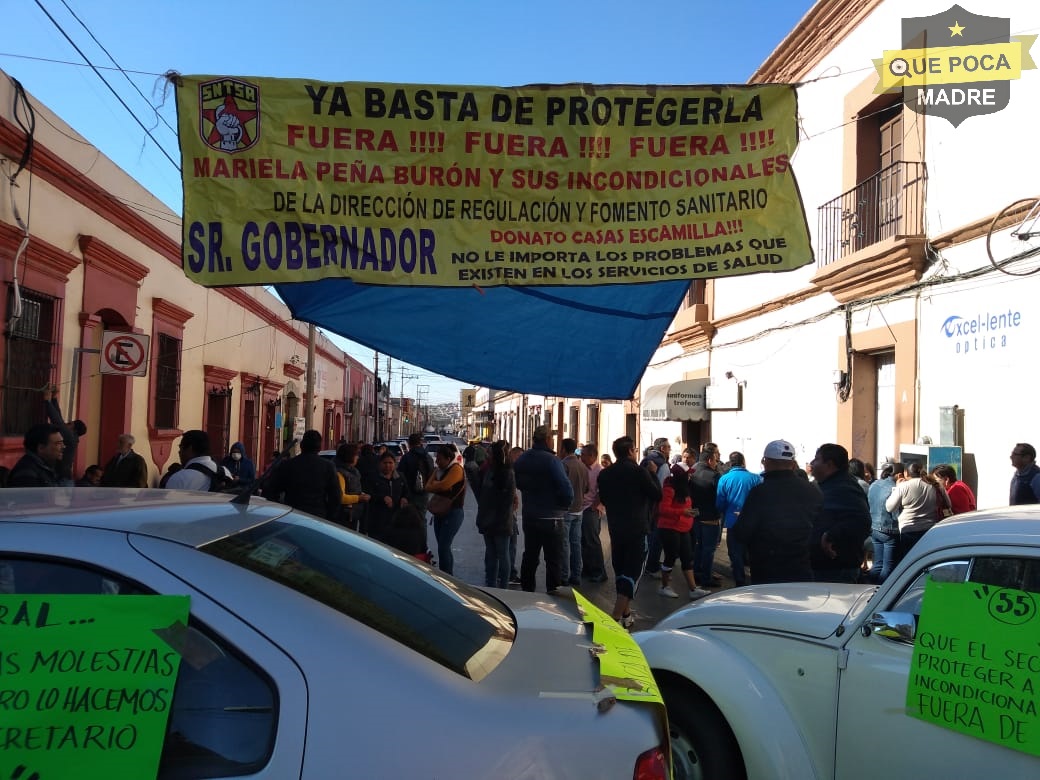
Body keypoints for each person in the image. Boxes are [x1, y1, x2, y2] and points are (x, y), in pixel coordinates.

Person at [731, 440, 822, 584]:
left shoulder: (760, 492)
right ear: (792, 463)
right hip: (803, 568)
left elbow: (742, 532)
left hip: (767, 570)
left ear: (766, 462)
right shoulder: (813, 490)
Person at [597, 436, 662, 629]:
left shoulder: (605, 474)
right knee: (632, 573)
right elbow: (657, 495)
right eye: (634, 450)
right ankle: (614, 620)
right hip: (637, 529)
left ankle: (625, 615)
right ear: (630, 451)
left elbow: (605, 499)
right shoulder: (639, 472)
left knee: (621, 570)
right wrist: (652, 474)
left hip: (616, 528)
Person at [514, 426, 573, 594]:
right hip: (551, 518)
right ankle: (553, 595)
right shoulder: (552, 460)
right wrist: (563, 506)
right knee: (553, 559)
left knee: (530, 556)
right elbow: (566, 489)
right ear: (547, 439)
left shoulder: (523, 458)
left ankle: (528, 591)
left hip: (530, 516)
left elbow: (516, 479)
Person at [808, 443, 872, 583]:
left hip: (836, 569)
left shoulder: (844, 488)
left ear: (829, 465)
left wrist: (830, 535)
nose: (812, 463)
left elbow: (862, 520)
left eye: (817, 459)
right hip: (823, 566)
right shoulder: (828, 485)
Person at [657, 464, 711, 599]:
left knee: (687, 558)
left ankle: (693, 589)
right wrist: (683, 511)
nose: (690, 476)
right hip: (669, 528)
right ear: (681, 476)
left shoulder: (685, 489)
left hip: (683, 528)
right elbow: (663, 510)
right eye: (688, 474)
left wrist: (690, 512)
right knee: (670, 557)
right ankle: (664, 586)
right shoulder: (669, 489)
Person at [264, 430, 342, 521]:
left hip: (292, 514)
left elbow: (270, 490)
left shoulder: (288, 465)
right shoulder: (328, 466)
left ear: (301, 446)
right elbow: (336, 496)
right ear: (319, 448)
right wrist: (330, 517)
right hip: (318, 516)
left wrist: (279, 511)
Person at [885, 461, 949, 562]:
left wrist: (896, 489)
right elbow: (949, 504)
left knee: (909, 561)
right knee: (926, 560)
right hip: (929, 530)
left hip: (908, 530)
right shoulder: (935, 485)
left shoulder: (903, 486)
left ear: (906, 473)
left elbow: (890, 507)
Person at [715, 451, 762, 588]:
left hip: (732, 521)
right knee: (754, 552)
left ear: (730, 463)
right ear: (743, 462)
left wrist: (728, 512)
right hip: (753, 522)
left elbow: (719, 503)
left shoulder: (724, 479)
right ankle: (756, 582)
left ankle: (739, 582)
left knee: (735, 553)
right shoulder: (756, 478)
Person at [476, 441, 516, 588]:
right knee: (492, 554)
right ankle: (491, 583)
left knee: (502, 553)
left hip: (500, 521)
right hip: (488, 519)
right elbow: (482, 494)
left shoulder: (507, 473)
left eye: (490, 453)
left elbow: (507, 500)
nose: (487, 455)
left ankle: (503, 585)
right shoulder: (488, 471)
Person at [425, 443, 467, 575]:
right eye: (436, 458)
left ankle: (447, 576)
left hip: (453, 512)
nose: (436, 461)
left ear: (448, 459)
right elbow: (427, 486)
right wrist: (437, 484)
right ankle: (446, 574)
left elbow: (443, 486)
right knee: (442, 547)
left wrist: (437, 484)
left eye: (439, 458)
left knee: (444, 546)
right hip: (440, 512)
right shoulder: (440, 470)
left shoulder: (456, 469)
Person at [690, 449, 723, 589]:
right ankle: (706, 577)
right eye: (715, 460)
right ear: (710, 460)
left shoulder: (693, 473)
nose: (716, 463)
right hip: (711, 517)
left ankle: (696, 573)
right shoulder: (715, 476)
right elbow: (720, 496)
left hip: (696, 516)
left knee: (699, 546)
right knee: (709, 549)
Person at [866, 462, 903, 584]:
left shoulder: (875, 484)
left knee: (877, 564)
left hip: (874, 528)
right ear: (899, 475)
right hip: (889, 530)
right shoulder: (894, 489)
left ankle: (868, 587)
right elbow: (895, 514)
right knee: (888, 566)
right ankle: (881, 592)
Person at [559, 438, 588, 587]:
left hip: (566, 510)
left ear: (564, 449)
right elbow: (587, 488)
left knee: (565, 544)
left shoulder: (564, 465)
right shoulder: (582, 466)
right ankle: (576, 574)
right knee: (576, 543)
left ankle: (564, 575)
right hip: (579, 509)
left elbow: (560, 486)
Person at [43, 386, 86, 487]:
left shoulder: (69, 436)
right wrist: (53, 398)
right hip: (63, 477)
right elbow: (60, 419)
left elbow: (58, 421)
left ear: (74, 428)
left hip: (62, 478)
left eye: (70, 423)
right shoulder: (71, 437)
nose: (67, 423)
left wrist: (47, 401)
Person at [639, 437, 671, 577]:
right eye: (669, 447)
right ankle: (652, 567)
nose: (670, 450)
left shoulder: (644, 460)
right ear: (662, 449)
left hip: (642, 503)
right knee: (656, 538)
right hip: (655, 505)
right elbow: (662, 487)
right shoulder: (663, 465)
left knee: (646, 536)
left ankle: (643, 563)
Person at [578, 442, 607, 583]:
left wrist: (594, 506)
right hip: (581, 507)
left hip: (591, 509)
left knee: (592, 540)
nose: (581, 457)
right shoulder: (582, 467)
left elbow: (602, 491)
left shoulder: (599, 471)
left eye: (583, 455)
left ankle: (599, 571)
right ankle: (588, 569)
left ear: (592, 456)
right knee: (583, 540)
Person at [367, 450, 409, 543]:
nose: (388, 465)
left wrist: (404, 498)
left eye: (390, 463)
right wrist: (382, 498)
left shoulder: (400, 477)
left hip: (396, 519)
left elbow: (406, 492)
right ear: (380, 464)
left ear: (394, 464)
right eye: (385, 463)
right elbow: (368, 494)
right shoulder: (373, 477)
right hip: (377, 520)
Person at [332, 443, 370, 530]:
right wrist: (359, 498)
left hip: (352, 515)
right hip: (344, 516)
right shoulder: (339, 473)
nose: (358, 457)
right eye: (356, 455)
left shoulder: (353, 471)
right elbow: (341, 497)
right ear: (349, 456)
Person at [398, 432, 433, 517]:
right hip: (423, 492)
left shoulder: (406, 457)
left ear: (409, 444)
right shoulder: (427, 457)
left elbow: (400, 474)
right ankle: (421, 530)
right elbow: (431, 472)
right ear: (420, 443)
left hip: (408, 492)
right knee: (421, 517)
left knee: (408, 517)